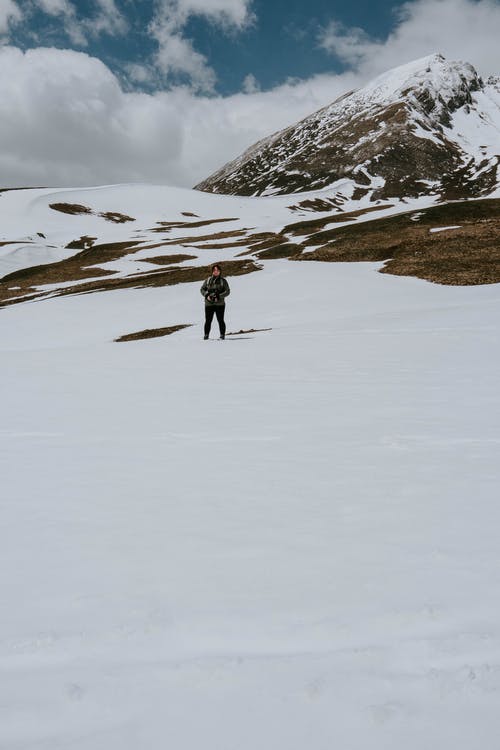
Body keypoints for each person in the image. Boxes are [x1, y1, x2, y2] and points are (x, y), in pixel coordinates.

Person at [200, 264, 230, 339]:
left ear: (220, 271)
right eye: (214, 270)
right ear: (212, 272)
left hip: (220, 304)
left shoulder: (223, 281)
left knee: (220, 320)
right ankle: (206, 336)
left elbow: (227, 291)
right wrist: (207, 295)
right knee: (208, 321)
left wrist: (219, 296)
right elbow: (202, 289)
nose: (216, 272)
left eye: (217, 270)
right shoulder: (208, 280)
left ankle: (222, 335)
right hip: (209, 304)